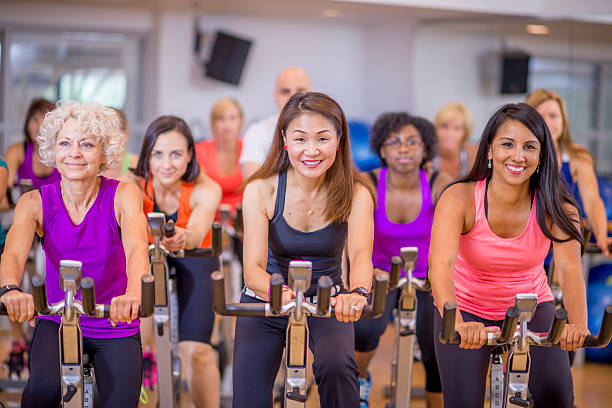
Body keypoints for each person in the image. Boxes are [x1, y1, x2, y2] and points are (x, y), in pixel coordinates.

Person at [429, 103, 588, 408]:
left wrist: (577, 325)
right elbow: (440, 264)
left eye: (530, 147)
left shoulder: (558, 207)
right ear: (488, 150)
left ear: (542, 155)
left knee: (557, 394)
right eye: (507, 144)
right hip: (465, 304)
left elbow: (569, 271)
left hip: (531, 305)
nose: (518, 156)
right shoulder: (459, 197)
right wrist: (459, 322)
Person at [0, 100, 149, 407]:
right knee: (41, 393)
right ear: (53, 150)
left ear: (104, 152)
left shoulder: (123, 194)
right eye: (65, 143)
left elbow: (137, 248)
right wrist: (10, 289)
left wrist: (133, 294)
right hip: (57, 320)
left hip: (114, 321)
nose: (74, 153)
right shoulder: (34, 202)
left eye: (87, 144)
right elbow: (13, 254)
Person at [233, 92, 376, 407]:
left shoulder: (357, 193)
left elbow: (361, 255)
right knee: (249, 393)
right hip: (266, 296)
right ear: (284, 140)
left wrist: (358, 294)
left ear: (338, 141)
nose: (311, 150)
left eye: (322, 139)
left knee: (338, 369)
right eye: (300, 139)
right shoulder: (261, 190)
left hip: (328, 298)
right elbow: (253, 268)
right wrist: (283, 295)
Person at [354, 112, 451, 408]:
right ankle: (359, 381)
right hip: (378, 276)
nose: (404, 149)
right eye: (394, 142)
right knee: (365, 330)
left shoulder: (439, 182)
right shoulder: (368, 182)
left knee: (436, 348)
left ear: (425, 149)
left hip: (426, 280)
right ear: (382, 150)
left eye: (412, 142)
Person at [130, 115, 222, 408]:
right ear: (147, 155)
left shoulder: (206, 188)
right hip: (147, 256)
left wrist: (184, 237)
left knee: (196, 351)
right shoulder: (132, 184)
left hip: (194, 256)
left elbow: (197, 230)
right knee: (136, 347)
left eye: (176, 154)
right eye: (157, 154)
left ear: (190, 155)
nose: (166, 164)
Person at [526, 89, 611, 257]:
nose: (547, 122)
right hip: (524, 243)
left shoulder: (577, 156)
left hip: (559, 246)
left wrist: (601, 236)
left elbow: (592, 201)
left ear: (563, 120)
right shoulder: (520, 155)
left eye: (553, 116)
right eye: (541, 116)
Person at [240, 66, 311, 179]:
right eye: (285, 91)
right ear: (275, 96)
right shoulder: (257, 131)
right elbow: (252, 182)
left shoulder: (328, 131)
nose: (292, 96)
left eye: (300, 90)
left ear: (311, 94)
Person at [195, 97, 244, 216]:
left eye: (232, 118)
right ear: (213, 123)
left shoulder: (250, 149)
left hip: (244, 220)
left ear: (240, 122)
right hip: (209, 219)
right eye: (221, 119)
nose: (227, 125)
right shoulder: (200, 150)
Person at [5, 98, 60, 191]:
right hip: (27, 205)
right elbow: (5, 189)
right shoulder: (17, 151)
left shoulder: (64, 152)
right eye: (35, 120)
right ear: (27, 124)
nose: (40, 127)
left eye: (46, 120)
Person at [432, 101, 477, 179]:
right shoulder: (427, 155)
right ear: (436, 128)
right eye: (444, 126)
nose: (449, 133)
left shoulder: (474, 155)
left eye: (456, 128)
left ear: (465, 133)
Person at [101, 107, 139, 179]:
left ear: (125, 135)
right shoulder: (92, 167)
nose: (104, 137)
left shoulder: (137, 165)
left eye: (110, 132)